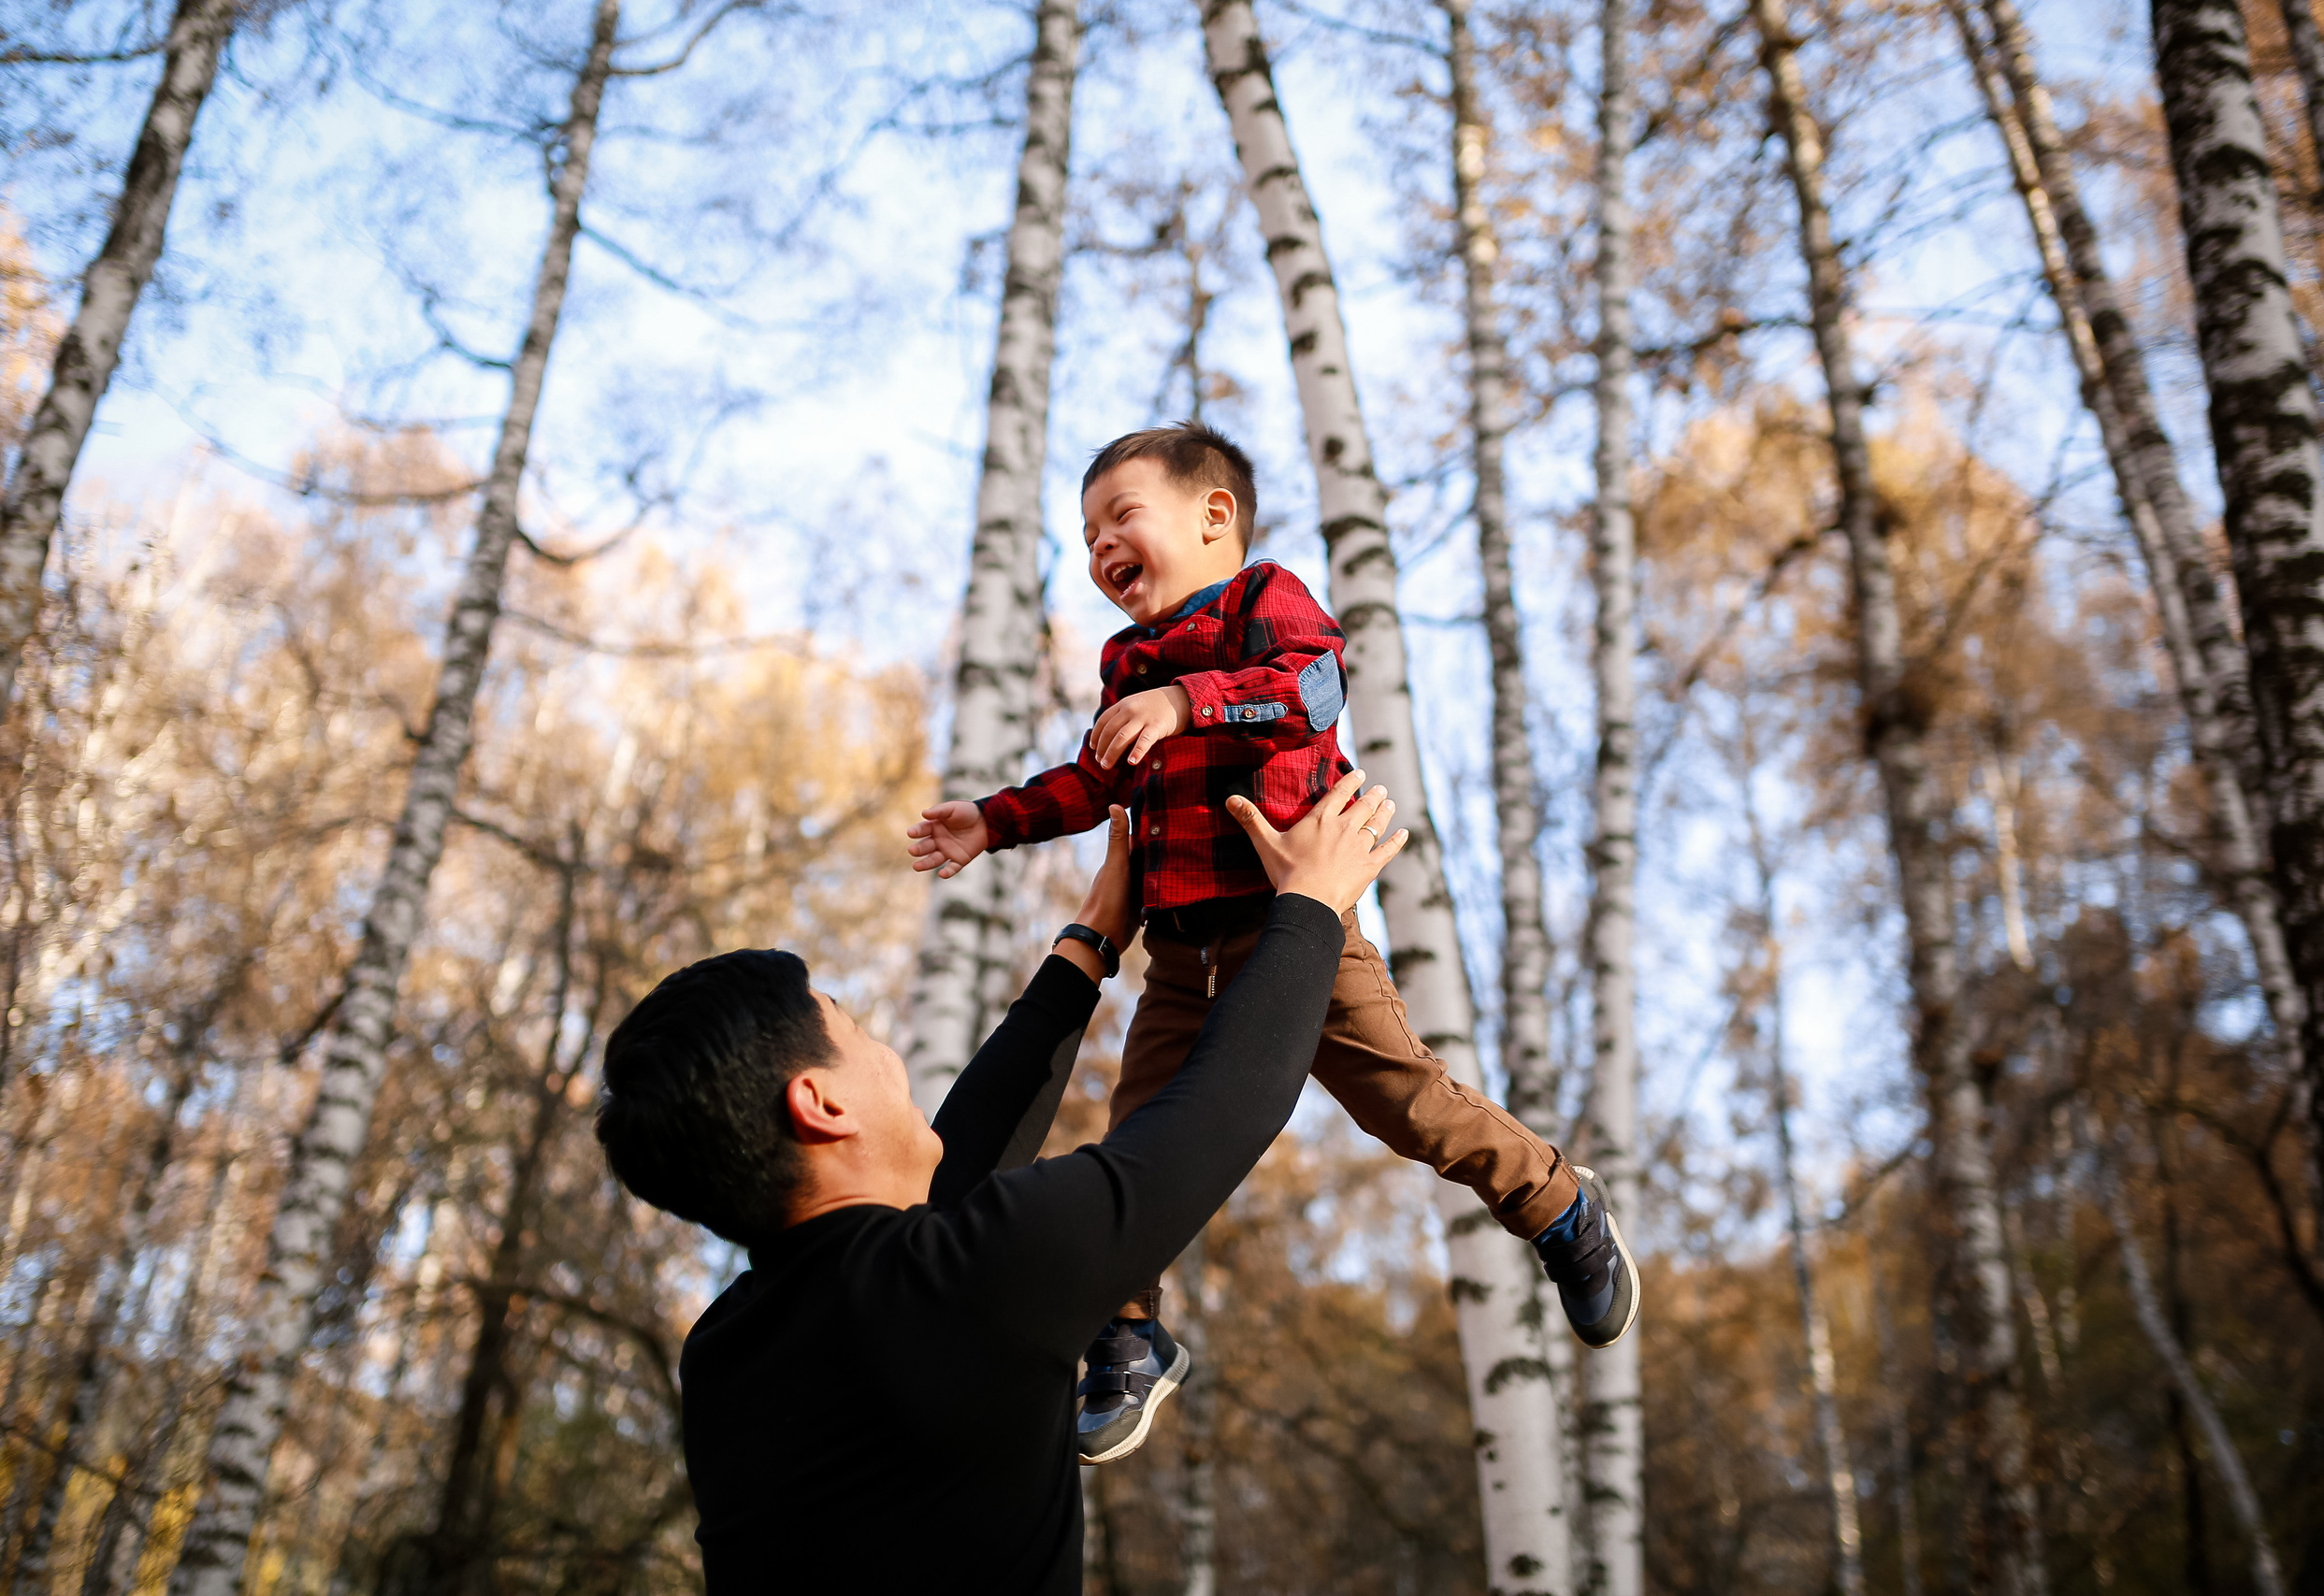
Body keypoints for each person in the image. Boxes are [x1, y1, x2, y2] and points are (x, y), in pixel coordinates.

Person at [905, 422, 1640, 1464]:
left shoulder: (1264, 600)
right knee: (1139, 1133)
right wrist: (994, 818)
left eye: (1121, 517)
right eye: (1083, 537)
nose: (1099, 548)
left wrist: (1185, 700)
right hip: (1179, 949)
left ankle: (1556, 1202)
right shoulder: (1125, 661)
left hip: (1296, 921)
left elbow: (1309, 692)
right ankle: (1127, 1334)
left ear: (1214, 518)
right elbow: (1092, 779)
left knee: (1404, 1100)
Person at [597, 775, 1411, 1595]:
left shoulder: (726, 1356)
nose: (890, 1058)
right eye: (856, 1032)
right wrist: (1308, 902)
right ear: (821, 1103)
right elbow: (1226, 1109)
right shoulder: (968, 1283)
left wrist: (1090, 944)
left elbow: (944, 1192)